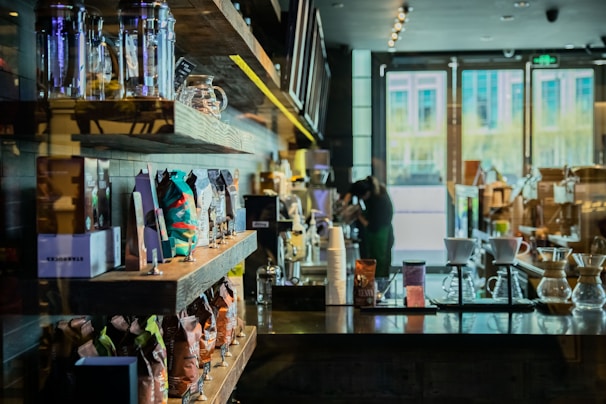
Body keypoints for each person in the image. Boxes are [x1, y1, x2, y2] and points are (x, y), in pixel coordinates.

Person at [342, 176, 394, 284]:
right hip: (374, 232)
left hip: (381, 232)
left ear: (367, 193)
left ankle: (380, 288)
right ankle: (368, 286)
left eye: (362, 197)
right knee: (370, 260)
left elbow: (370, 224)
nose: (361, 199)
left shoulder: (380, 202)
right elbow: (353, 188)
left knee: (380, 263)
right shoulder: (368, 186)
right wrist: (345, 202)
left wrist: (359, 215)